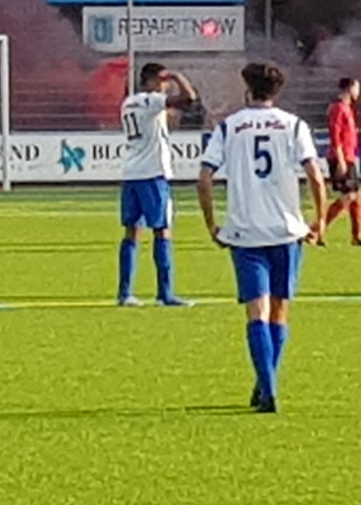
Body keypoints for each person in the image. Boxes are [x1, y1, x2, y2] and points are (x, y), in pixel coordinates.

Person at [196, 60, 328, 412]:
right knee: (280, 311)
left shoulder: (229, 127)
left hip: (245, 233)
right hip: (286, 231)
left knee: (257, 312)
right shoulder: (294, 124)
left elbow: (204, 178)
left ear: (247, 90)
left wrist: (212, 224)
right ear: (277, 92)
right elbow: (315, 175)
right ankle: (266, 382)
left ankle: (266, 386)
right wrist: (320, 219)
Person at [117, 61, 199, 307]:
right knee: (162, 230)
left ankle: (125, 293)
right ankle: (165, 293)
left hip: (131, 173)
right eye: (162, 81)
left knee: (131, 232)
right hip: (152, 173)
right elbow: (189, 98)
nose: (165, 87)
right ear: (153, 80)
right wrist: (177, 75)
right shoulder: (151, 100)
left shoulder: (127, 102)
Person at [316, 76, 361, 247]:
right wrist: (340, 159)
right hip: (339, 158)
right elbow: (335, 135)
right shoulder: (338, 108)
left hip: (348, 157)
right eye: (357, 88)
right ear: (350, 88)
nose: (359, 92)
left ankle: (357, 236)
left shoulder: (347, 108)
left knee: (357, 196)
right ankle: (316, 230)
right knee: (349, 195)